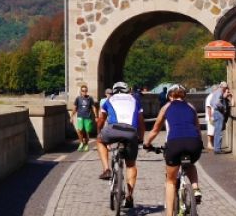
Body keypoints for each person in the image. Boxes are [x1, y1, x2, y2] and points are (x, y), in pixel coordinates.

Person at [143, 84, 203, 215]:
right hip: (194, 143)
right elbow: (197, 129)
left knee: (170, 181)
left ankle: (169, 214)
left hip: (175, 143)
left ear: (170, 96)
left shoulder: (166, 107)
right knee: (191, 163)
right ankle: (195, 187)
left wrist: (146, 143)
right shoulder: (191, 107)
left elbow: (155, 130)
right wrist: (200, 144)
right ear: (184, 95)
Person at [96, 81, 145, 209]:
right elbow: (141, 121)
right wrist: (141, 138)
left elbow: (101, 119)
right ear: (127, 90)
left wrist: (98, 131)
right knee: (131, 164)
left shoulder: (109, 100)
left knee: (100, 141)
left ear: (113, 90)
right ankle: (130, 196)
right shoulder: (135, 100)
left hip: (113, 129)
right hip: (130, 132)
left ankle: (106, 169)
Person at [71, 84, 97, 152]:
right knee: (79, 130)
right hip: (80, 117)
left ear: (87, 91)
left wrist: (96, 116)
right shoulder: (78, 98)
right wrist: (72, 116)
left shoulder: (90, 98)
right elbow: (74, 108)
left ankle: (86, 144)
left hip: (88, 117)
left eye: (85, 91)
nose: (84, 92)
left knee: (86, 132)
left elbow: (93, 107)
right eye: (83, 91)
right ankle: (81, 143)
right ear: (81, 91)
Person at [210, 81, 229, 154]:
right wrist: (223, 108)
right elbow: (217, 103)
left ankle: (216, 148)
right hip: (219, 112)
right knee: (219, 131)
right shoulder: (220, 92)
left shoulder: (215, 92)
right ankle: (217, 149)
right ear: (223, 87)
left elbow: (212, 102)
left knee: (217, 131)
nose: (226, 89)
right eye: (225, 88)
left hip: (215, 112)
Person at [204, 85, 217, 150]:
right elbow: (208, 107)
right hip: (210, 116)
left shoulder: (214, 96)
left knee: (213, 131)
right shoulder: (210, 97)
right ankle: (209, 143)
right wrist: (210, 117)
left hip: (213, 116)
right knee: (210, 131)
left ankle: (212, 144)